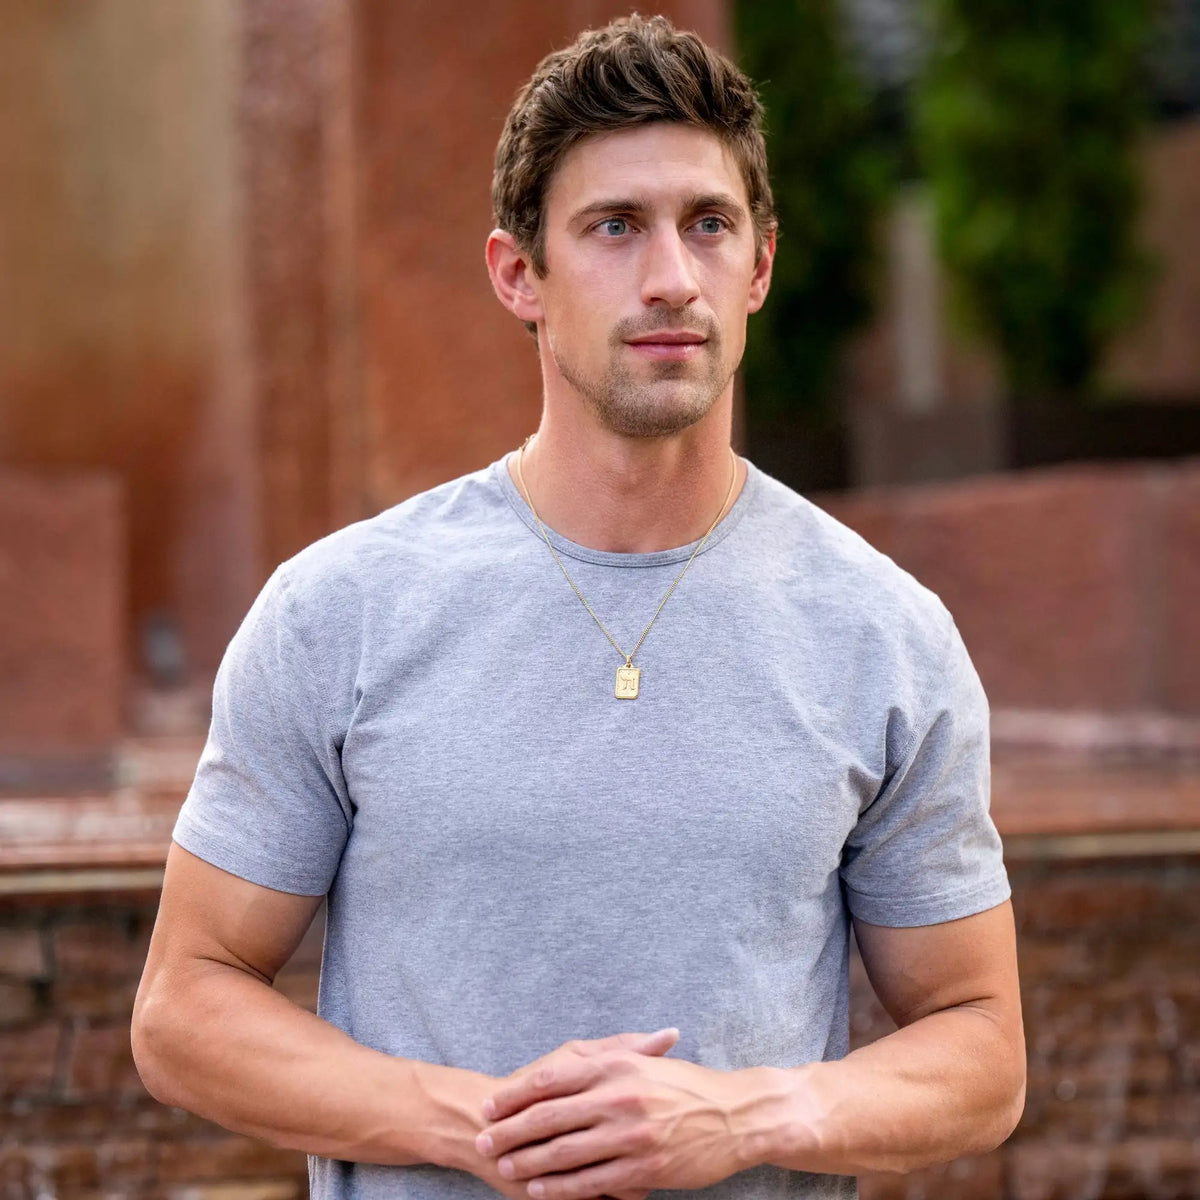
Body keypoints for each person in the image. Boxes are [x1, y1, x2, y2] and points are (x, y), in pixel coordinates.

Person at [132, 15, 1025, 1200]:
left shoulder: (883, 634)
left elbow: (982, 1049)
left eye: (708, 225)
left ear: (760, 267)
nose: (672, 278)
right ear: (520, 276)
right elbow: (183, 1008)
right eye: (614, 227)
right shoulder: (340, 613)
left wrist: (746, 1113)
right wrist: (482, 1125)